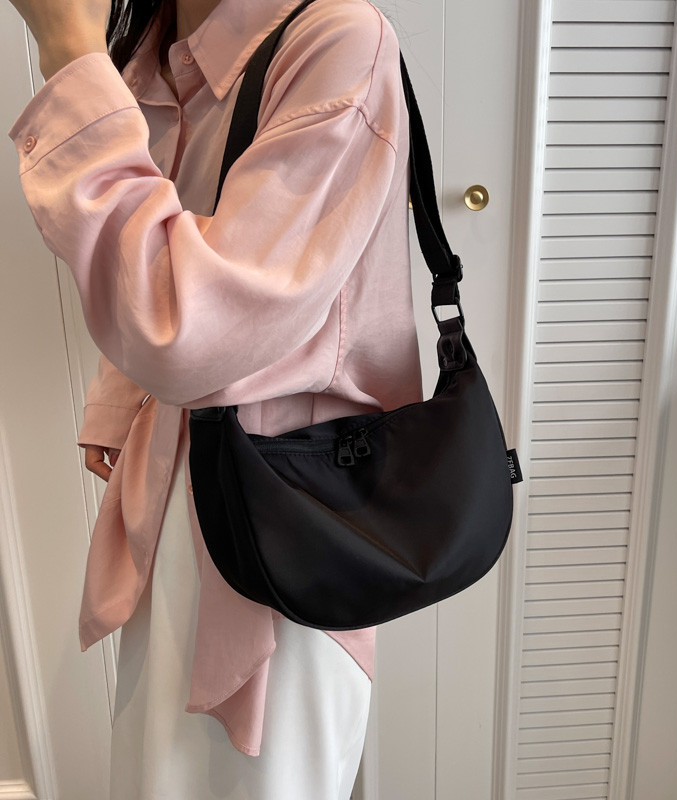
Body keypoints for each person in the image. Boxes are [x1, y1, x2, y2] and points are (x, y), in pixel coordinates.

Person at [6, 0, 422, 796]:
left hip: (287, 521)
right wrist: (119, 399)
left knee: (254, 778)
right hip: (173, 485)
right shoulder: (163, 53)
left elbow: (190, 325)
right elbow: (173, 238)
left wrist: (67, 49)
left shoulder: (333, 39)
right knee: (159, 774)